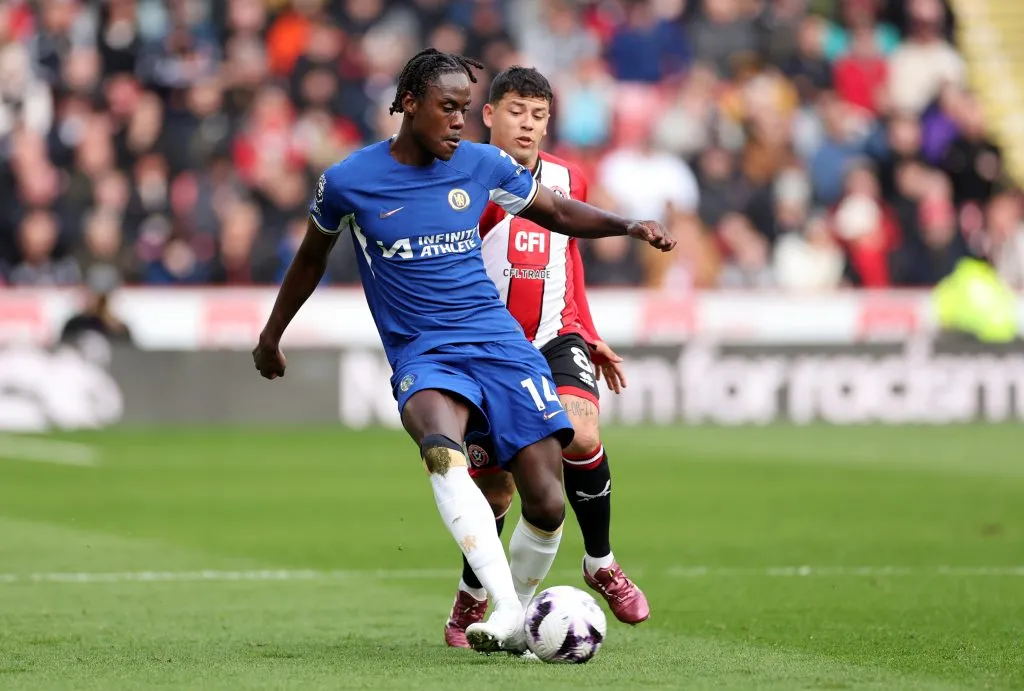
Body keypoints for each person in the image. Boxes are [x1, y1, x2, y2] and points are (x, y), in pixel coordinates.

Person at [251, 49, 675, 654]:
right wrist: (272, 336)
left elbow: (555, 210)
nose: (458, 121)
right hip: (424, 352)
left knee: (548, 503)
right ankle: (507, 611)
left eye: (465, 109)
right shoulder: (348, 181)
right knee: (441, 450)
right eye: (448, 108)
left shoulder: (481, 163)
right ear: (407, 104)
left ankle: (520, 611)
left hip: (500, 345)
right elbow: (310, 260)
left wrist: (628, 225)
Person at [443, 66, 650, 650]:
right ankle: (472, 594)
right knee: (498, 491)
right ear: (488, 115)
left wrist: (588, 329)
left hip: (555, 337)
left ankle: (601, 562)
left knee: (582, 435)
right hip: (487, 352)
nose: (526, 125)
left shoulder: (569, 178)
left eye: (537, 115)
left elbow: (570, 259)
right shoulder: (464, 183)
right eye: (515, 112)